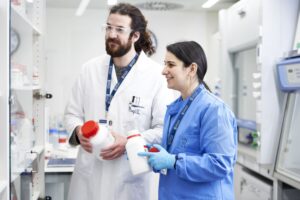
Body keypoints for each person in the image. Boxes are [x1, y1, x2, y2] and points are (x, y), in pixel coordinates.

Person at [64, 3, 172, 200]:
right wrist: (78, 132)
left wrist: (131, 141)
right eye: (108, 27)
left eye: (119, 29)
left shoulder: (156, 76)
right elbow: (72, 114)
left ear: (135, 36)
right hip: (90, 175)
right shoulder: (89, 69)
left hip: (130, 179)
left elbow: (163, 128)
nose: (111, 34)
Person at [139, 41, 237, 200]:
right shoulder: (175, 109)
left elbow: (220, 164)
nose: (164, 71)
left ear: (192, 69)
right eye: (165, 64)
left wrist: (174, 162)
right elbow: (178, 152)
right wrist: (152, 154)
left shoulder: (214, 110)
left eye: (171, 65)